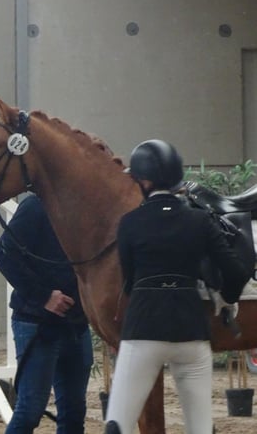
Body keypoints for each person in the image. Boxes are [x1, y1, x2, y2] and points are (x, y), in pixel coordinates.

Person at [104, 140, 251, 434]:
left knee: (117, 424)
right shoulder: (199, 220)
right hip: (191, 332)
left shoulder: (130, 223)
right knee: (200, 428)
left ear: (144, 181)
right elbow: (235, 270)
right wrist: (227, 298)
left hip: (143, 331)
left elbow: (130, 280)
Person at [0, 193, 93, 434]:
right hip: (37, 323)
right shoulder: (36, 206)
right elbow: (3, 254)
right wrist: (44, 296)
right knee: (29, 411)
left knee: (74, 411)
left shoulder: (88, 207)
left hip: (77, 324)